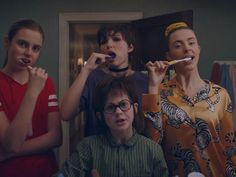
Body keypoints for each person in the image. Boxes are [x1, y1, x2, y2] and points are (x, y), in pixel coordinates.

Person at [142, 22, 236, 177]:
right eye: (178, 46)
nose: (187, 48)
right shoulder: (159, 93)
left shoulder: (221, 95)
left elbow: (230, 147)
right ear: (169, 56)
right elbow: (151, 143)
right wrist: (153, 86)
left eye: (191, 43)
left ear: (198, 48)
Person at [54, 76, 168, 177]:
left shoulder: (152, 150)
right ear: (100, 115)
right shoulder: (88, 148)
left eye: (123, 104)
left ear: (135, 108)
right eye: (110, 107)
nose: (118, 112)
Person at [60, 23, 148, 136]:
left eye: (116, 39)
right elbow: (65, 114)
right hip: (97, 151)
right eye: (103, 42)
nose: (109, 45)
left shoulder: (144, 80)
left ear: (130, 47)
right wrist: (86, 70)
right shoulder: (92, 77)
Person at [0, 19, 62, 177]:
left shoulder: (45, 81)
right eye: (22, 44)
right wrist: (32, 92)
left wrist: (9, 153)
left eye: (36, 48)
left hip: (46, 171)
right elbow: (11, 143)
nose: (29, 53)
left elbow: (56, 137)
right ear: (7, 42)